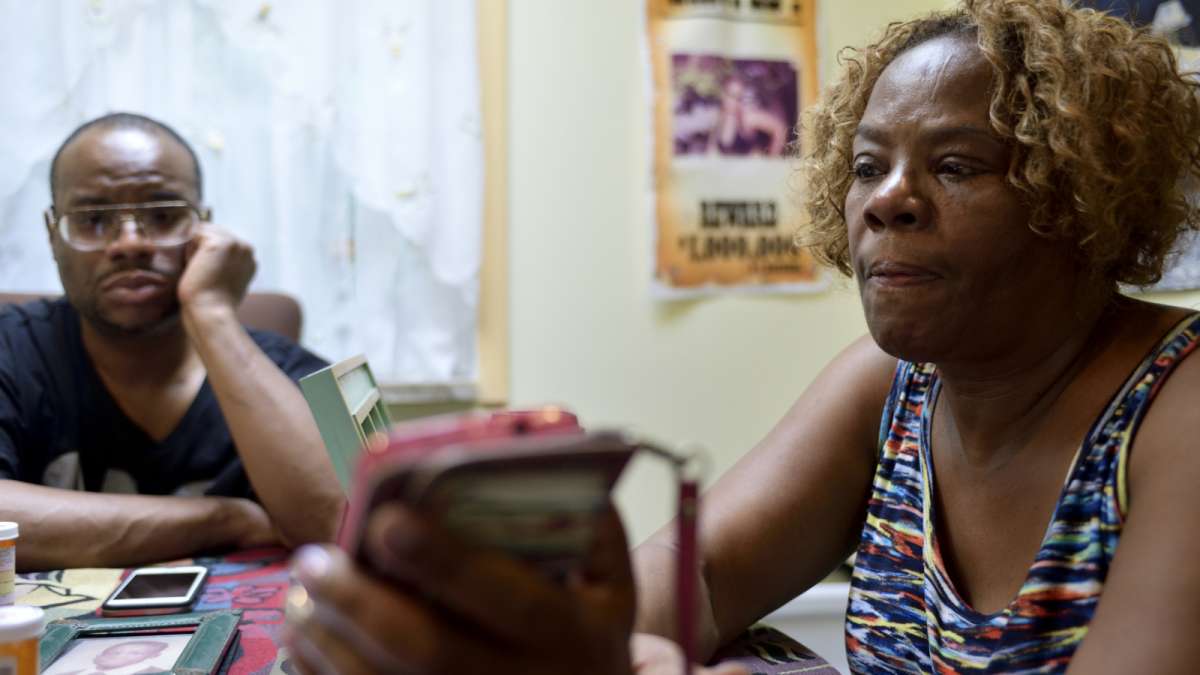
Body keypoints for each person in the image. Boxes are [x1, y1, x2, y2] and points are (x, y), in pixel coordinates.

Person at [284, 0, 1200, 672]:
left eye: (956, 165)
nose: (887, 200)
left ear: (1086, 200)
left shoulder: (1178, 405)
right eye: (868, 166)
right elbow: (699, 584)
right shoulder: (891, 385)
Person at [0, 113, 344, 571]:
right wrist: (225, 520)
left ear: (204, 229)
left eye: (163, 216)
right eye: (93, 219)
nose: (129, 244)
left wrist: (213, 313)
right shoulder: (11, 350)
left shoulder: (293, 373)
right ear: (52, 233)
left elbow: (344, 528)